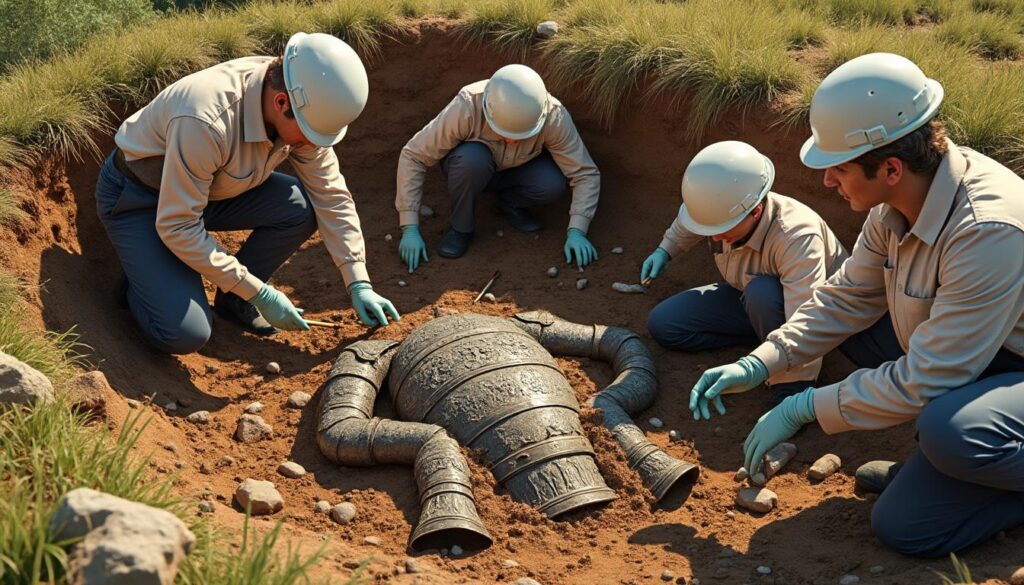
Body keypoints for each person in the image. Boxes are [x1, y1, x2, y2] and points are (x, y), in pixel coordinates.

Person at [689, 53, 1024, 557]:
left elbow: (932, 377)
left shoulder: (986, 231)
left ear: (890, 167)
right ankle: (960, 466)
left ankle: (968, 457)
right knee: (907, 520)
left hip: (1007, 365)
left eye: (838, 169)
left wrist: (805, 406)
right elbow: (843, 300)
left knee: (943, 443)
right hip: (983, 353)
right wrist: (762, 361)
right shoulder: (897, 204)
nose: (827, 182)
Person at [95, 32, 399, 354]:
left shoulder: (300, 99)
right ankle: (142, 285)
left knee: (299, 206)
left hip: (207, 194)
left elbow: (331, 195)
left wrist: (358, 280)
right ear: (282, 103)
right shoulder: (207, 120)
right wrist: (259, 292)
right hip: (140, 199)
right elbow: (178, 225)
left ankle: (231, 301)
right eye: (311, 134)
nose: (314, 144)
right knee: (185, 333)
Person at [642, 141, 847, 410]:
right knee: (665, 324)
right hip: (750, 300)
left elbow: (807, 318)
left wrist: (791, 400)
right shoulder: (725, 206)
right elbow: (691, 221)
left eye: (723, 229)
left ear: (756, 211)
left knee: (761, 291)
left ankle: (788, 384)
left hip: (811, 318)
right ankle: (766, 338)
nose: (715, 237)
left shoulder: (797, 238)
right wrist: (665, 250)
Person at [394, 64, 601, 270]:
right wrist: (410, 227)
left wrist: (577, 230)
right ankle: (461, 228)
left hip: (518, 173)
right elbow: (414, 155)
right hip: (470, 170)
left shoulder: (554, 116)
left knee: (550, 183)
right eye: (504, 133)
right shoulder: (468, 105)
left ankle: (509, 204)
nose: (511, 142)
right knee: (472, 160)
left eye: (521, 136)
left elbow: (584, 173)